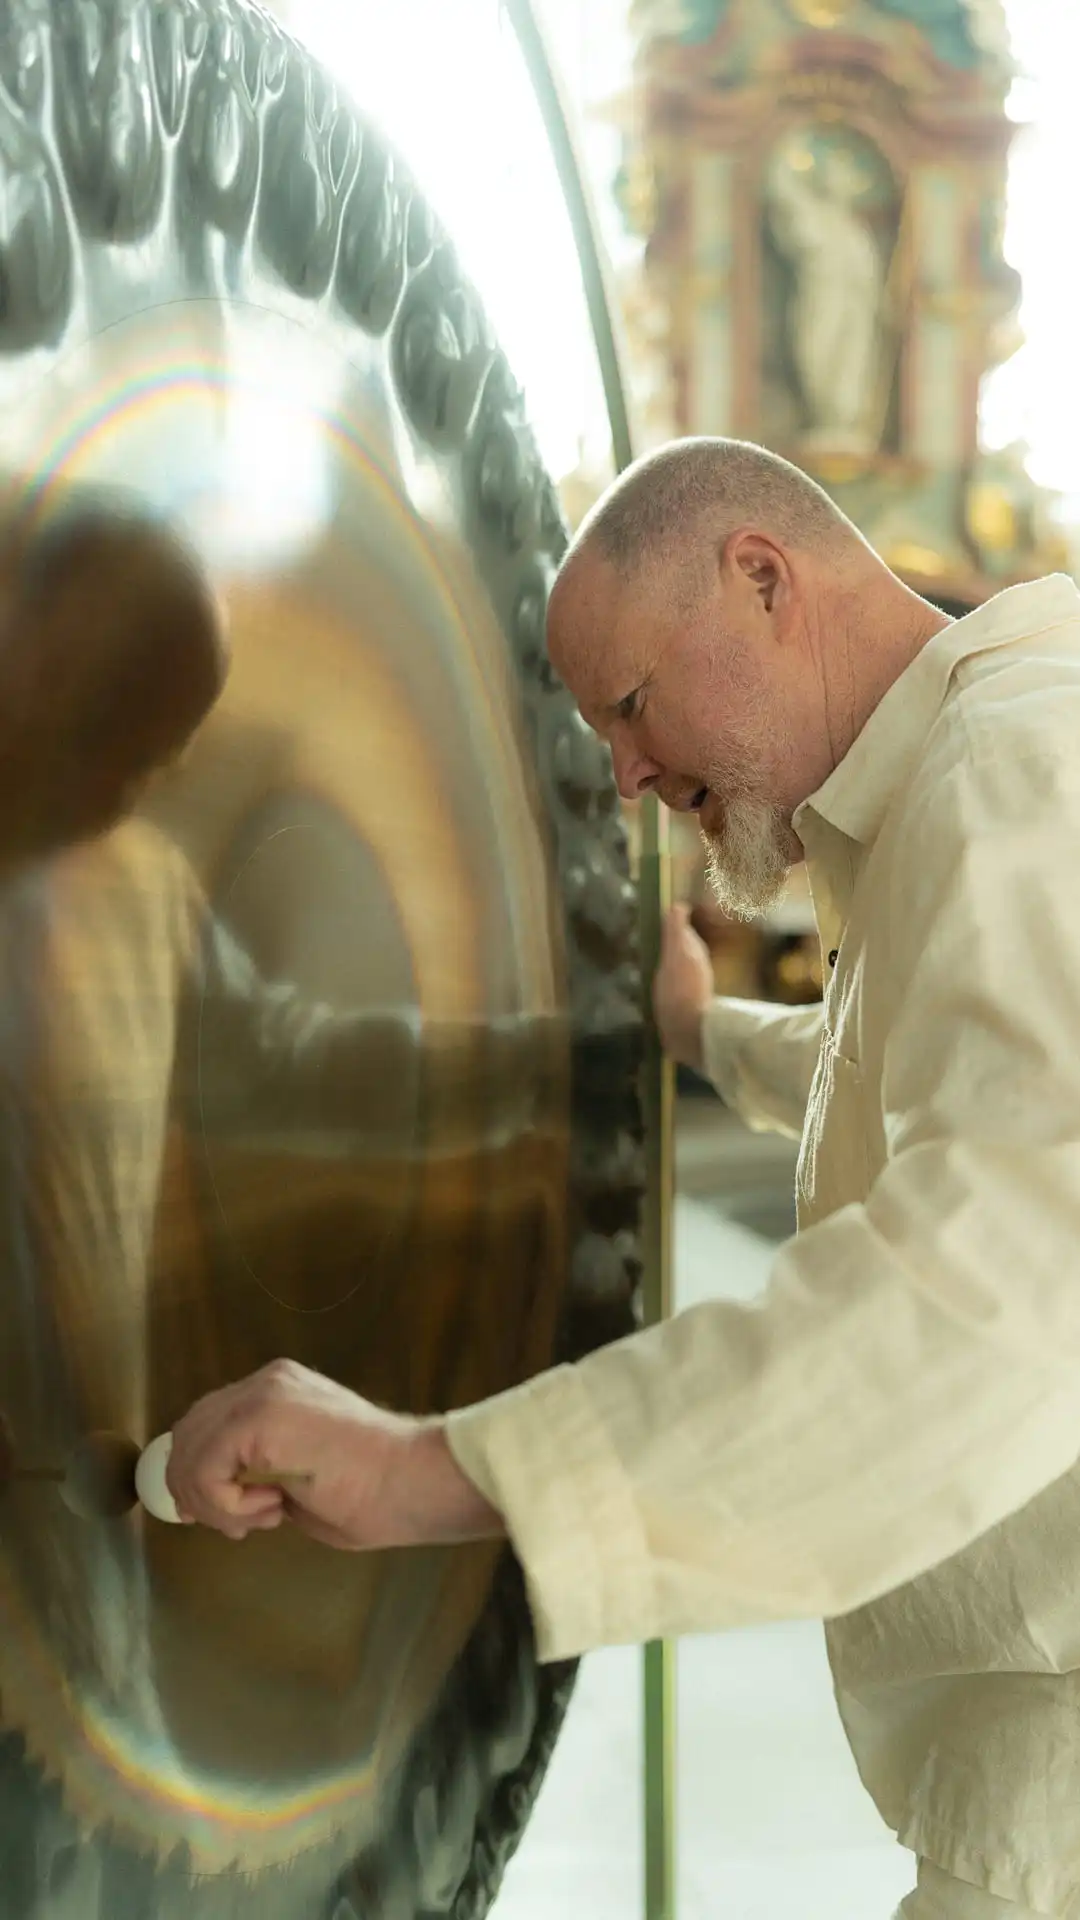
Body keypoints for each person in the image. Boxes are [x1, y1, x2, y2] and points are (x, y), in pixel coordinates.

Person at [167, 435, 1080, 1918]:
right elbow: (929, 1068)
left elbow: (1006, 1275)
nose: (627, 772)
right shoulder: (962, 786)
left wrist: (432, 1471)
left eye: (632, 704)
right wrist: (701, 1030)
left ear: (765, 580)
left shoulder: (1027, 762)